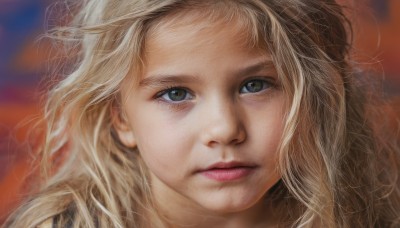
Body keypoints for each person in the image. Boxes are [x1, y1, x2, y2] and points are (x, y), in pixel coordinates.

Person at [4, 0, 400, 227]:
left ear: (315, 95)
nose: (224, 129)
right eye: (176, 93)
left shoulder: (360, 217)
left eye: (255, 85)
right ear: (120, 118)